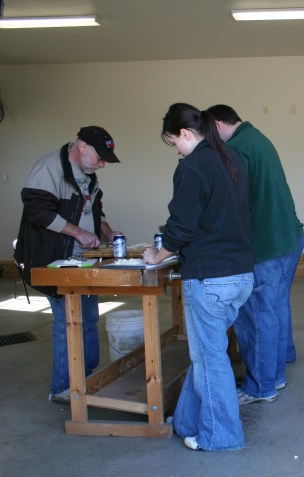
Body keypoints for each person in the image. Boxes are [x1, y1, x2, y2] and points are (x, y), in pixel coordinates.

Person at [143, 103, 254, 451]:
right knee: (208, 352)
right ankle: (188, 422)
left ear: (185, 133)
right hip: (240, 275)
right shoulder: (231, 160)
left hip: (210, 277)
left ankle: (221, 436)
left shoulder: (192, 167)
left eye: (173, 142)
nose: (175, 150)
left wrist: (156, 255)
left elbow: (181, 226)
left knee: (209, 358)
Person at [14, 126, 122, 404]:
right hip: (55, 261)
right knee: (67, 322)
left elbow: (95, 211)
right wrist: (79, 233)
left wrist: (107, 232)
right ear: (82, 147)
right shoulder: (49, 168)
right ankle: (63, 388)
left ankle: (87, 379)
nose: (102, 165)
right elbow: (38, 212)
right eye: (100, 158)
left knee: (89, 319)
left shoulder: (87, 174)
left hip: (83, 260)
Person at [207, 104, 304, 404]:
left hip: (266, 245)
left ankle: (261, 386)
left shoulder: (236, 148)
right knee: (275, 307)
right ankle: (276, 372)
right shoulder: (258, 138)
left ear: (217, 124)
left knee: (255, 316)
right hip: (289, 237)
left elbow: (234, 204)